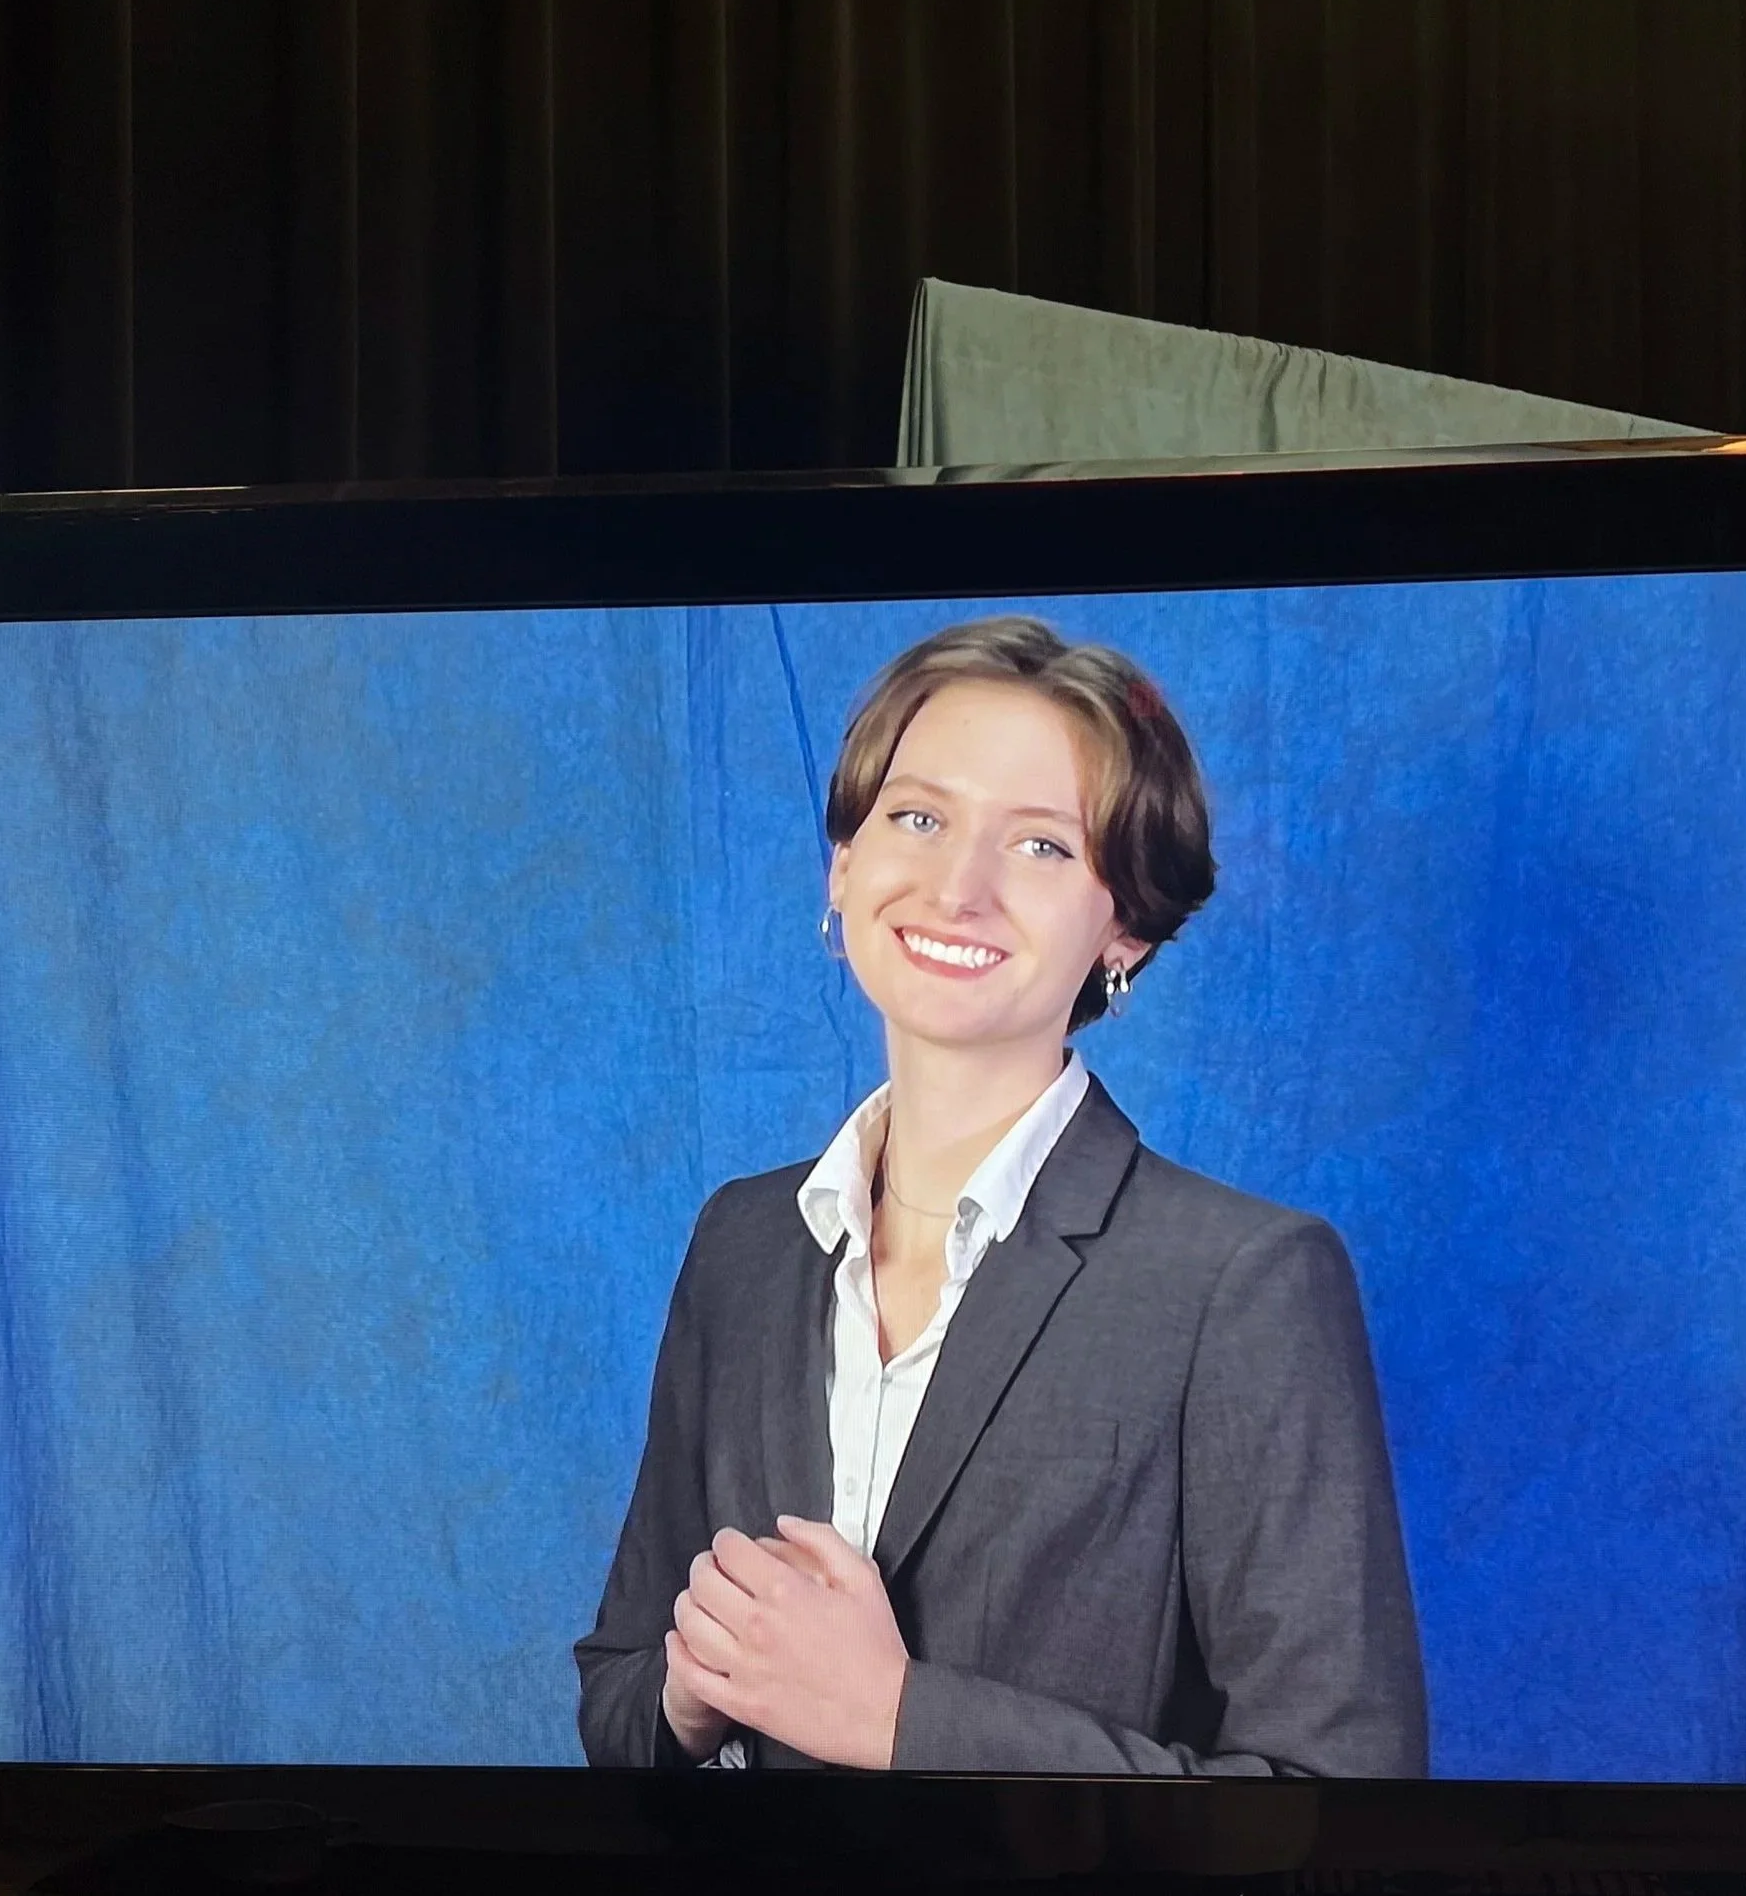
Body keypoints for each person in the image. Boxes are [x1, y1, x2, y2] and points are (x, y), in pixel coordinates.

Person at [574, 614, 1425, 1775]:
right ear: (844, 863)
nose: (955, 886)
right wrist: (691, 1684)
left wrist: (898, 1717)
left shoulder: (1242, 1282)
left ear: (1123, 923)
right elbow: (620, 1701)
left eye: (1039, 846)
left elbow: (1343, 1791)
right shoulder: (743, 1242)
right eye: (917, 818)